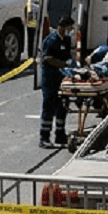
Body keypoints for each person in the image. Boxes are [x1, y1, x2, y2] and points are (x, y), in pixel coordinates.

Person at [37, 15, 77, 148]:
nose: (71, 30)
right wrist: (63, 64)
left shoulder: (66, 39)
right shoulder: (51, 40)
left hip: (61, 77)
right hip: (50, 77)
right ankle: (44, 137)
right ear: (62, 27)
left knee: (62, 105)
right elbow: (48, 58)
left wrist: (72, 66)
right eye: (69, 28)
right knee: (49, 105)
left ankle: (60, 135)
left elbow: (67, 56)